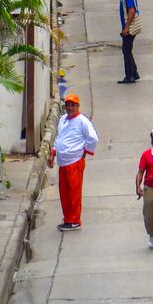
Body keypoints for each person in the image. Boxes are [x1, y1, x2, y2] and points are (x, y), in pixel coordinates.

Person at [49, 94, 98, 231]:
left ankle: (74, 220)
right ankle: (68, 219)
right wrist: (53, 153)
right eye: (68, 105)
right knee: (64, 193)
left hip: (74, 162)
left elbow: (93, 139)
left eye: (73, 105)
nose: (70, 107)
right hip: (63, 162)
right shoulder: (63, 119)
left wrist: (85, 151)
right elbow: (59, 137)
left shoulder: (83, 121)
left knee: (74, 193)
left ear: (78, 106)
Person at [117, 0, 140, 84]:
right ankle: (134, 73)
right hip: (127, 26)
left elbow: (131, 10)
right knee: (127, 49)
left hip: (129, 26)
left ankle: (129, 76)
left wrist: (126, 27)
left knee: (126, 50)